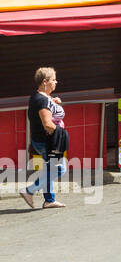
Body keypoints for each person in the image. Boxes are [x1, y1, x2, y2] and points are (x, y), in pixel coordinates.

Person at [20, 67, 68, 210]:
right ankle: (29, 191)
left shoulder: (40, 97)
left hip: (42, 140)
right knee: (60, 169)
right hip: (47, 142)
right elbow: (47, 124)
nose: (56, 82)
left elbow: (45, 107)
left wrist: (53, 101)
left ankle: (49, 200)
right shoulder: (42, 101)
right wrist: (61, 133)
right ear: (45, 82)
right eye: (53, 80)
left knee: (49, 169)